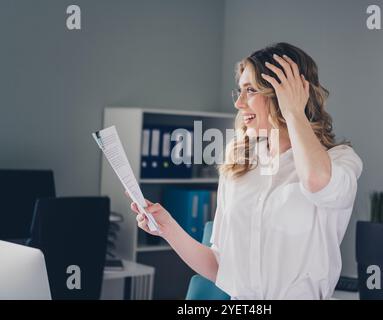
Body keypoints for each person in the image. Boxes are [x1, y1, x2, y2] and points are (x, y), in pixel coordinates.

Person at [128, 42, 363, 299]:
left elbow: (317, 181)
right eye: (239, 91)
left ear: (285, 93)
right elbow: (220, 267)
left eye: (250, 90)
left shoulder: (339, 160)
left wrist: (294, 111)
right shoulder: (239, 163)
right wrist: (167, 228)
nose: (239, 103)